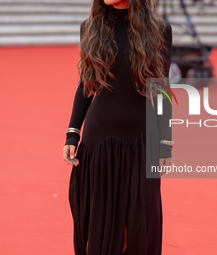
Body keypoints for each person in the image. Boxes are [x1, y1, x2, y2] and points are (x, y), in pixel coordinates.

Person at [62, 0, 173, 254]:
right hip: (98, 142)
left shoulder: (160, 30)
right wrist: (72, 134)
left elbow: (161, 88)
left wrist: (165, 141)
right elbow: (86, 85)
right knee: (99, 229)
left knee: (135, 227)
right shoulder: (90, 27)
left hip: (141, 143)